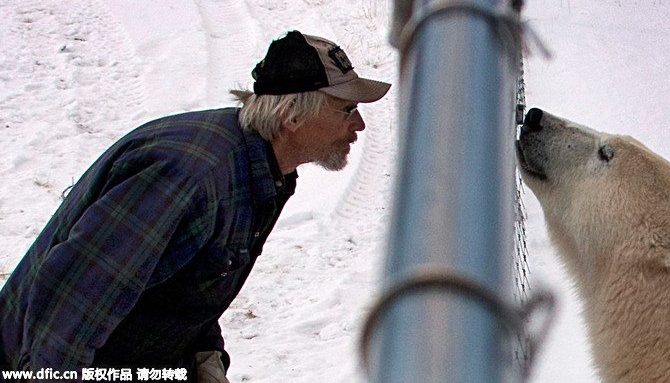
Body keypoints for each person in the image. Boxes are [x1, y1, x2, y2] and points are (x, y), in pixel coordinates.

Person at [0, 30, 391, 382]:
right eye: (346, 109)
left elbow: (193, 281)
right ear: (291, 115)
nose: (358, 125)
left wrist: (206, 355)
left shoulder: (265, 173)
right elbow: (70, 305)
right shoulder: (188, 176)